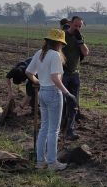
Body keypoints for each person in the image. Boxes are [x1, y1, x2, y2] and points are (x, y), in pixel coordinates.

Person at [25, 29, 79, 171]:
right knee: (53, 130)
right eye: (61, 43)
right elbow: (55, 78)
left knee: (44, 127)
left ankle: (40, 161)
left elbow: (29, 72)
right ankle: (52, 163)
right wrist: (67, 94)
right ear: (58, 43)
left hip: (42, 92)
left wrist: (39, 82)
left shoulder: (40, 53)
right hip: (54, 93)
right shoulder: (55, 55)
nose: (62, 46)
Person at [61, 16, 89, 140]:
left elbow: (86, 52)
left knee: (73, 103)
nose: (77, 28)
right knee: (61, 102)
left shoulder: (79, 38)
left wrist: (80, 42)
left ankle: (70, 130)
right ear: (70, 23)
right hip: (62, 74)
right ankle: (60, 126)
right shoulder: (62, 36)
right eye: (75, 25)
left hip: (75, 74)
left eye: (79, 26)